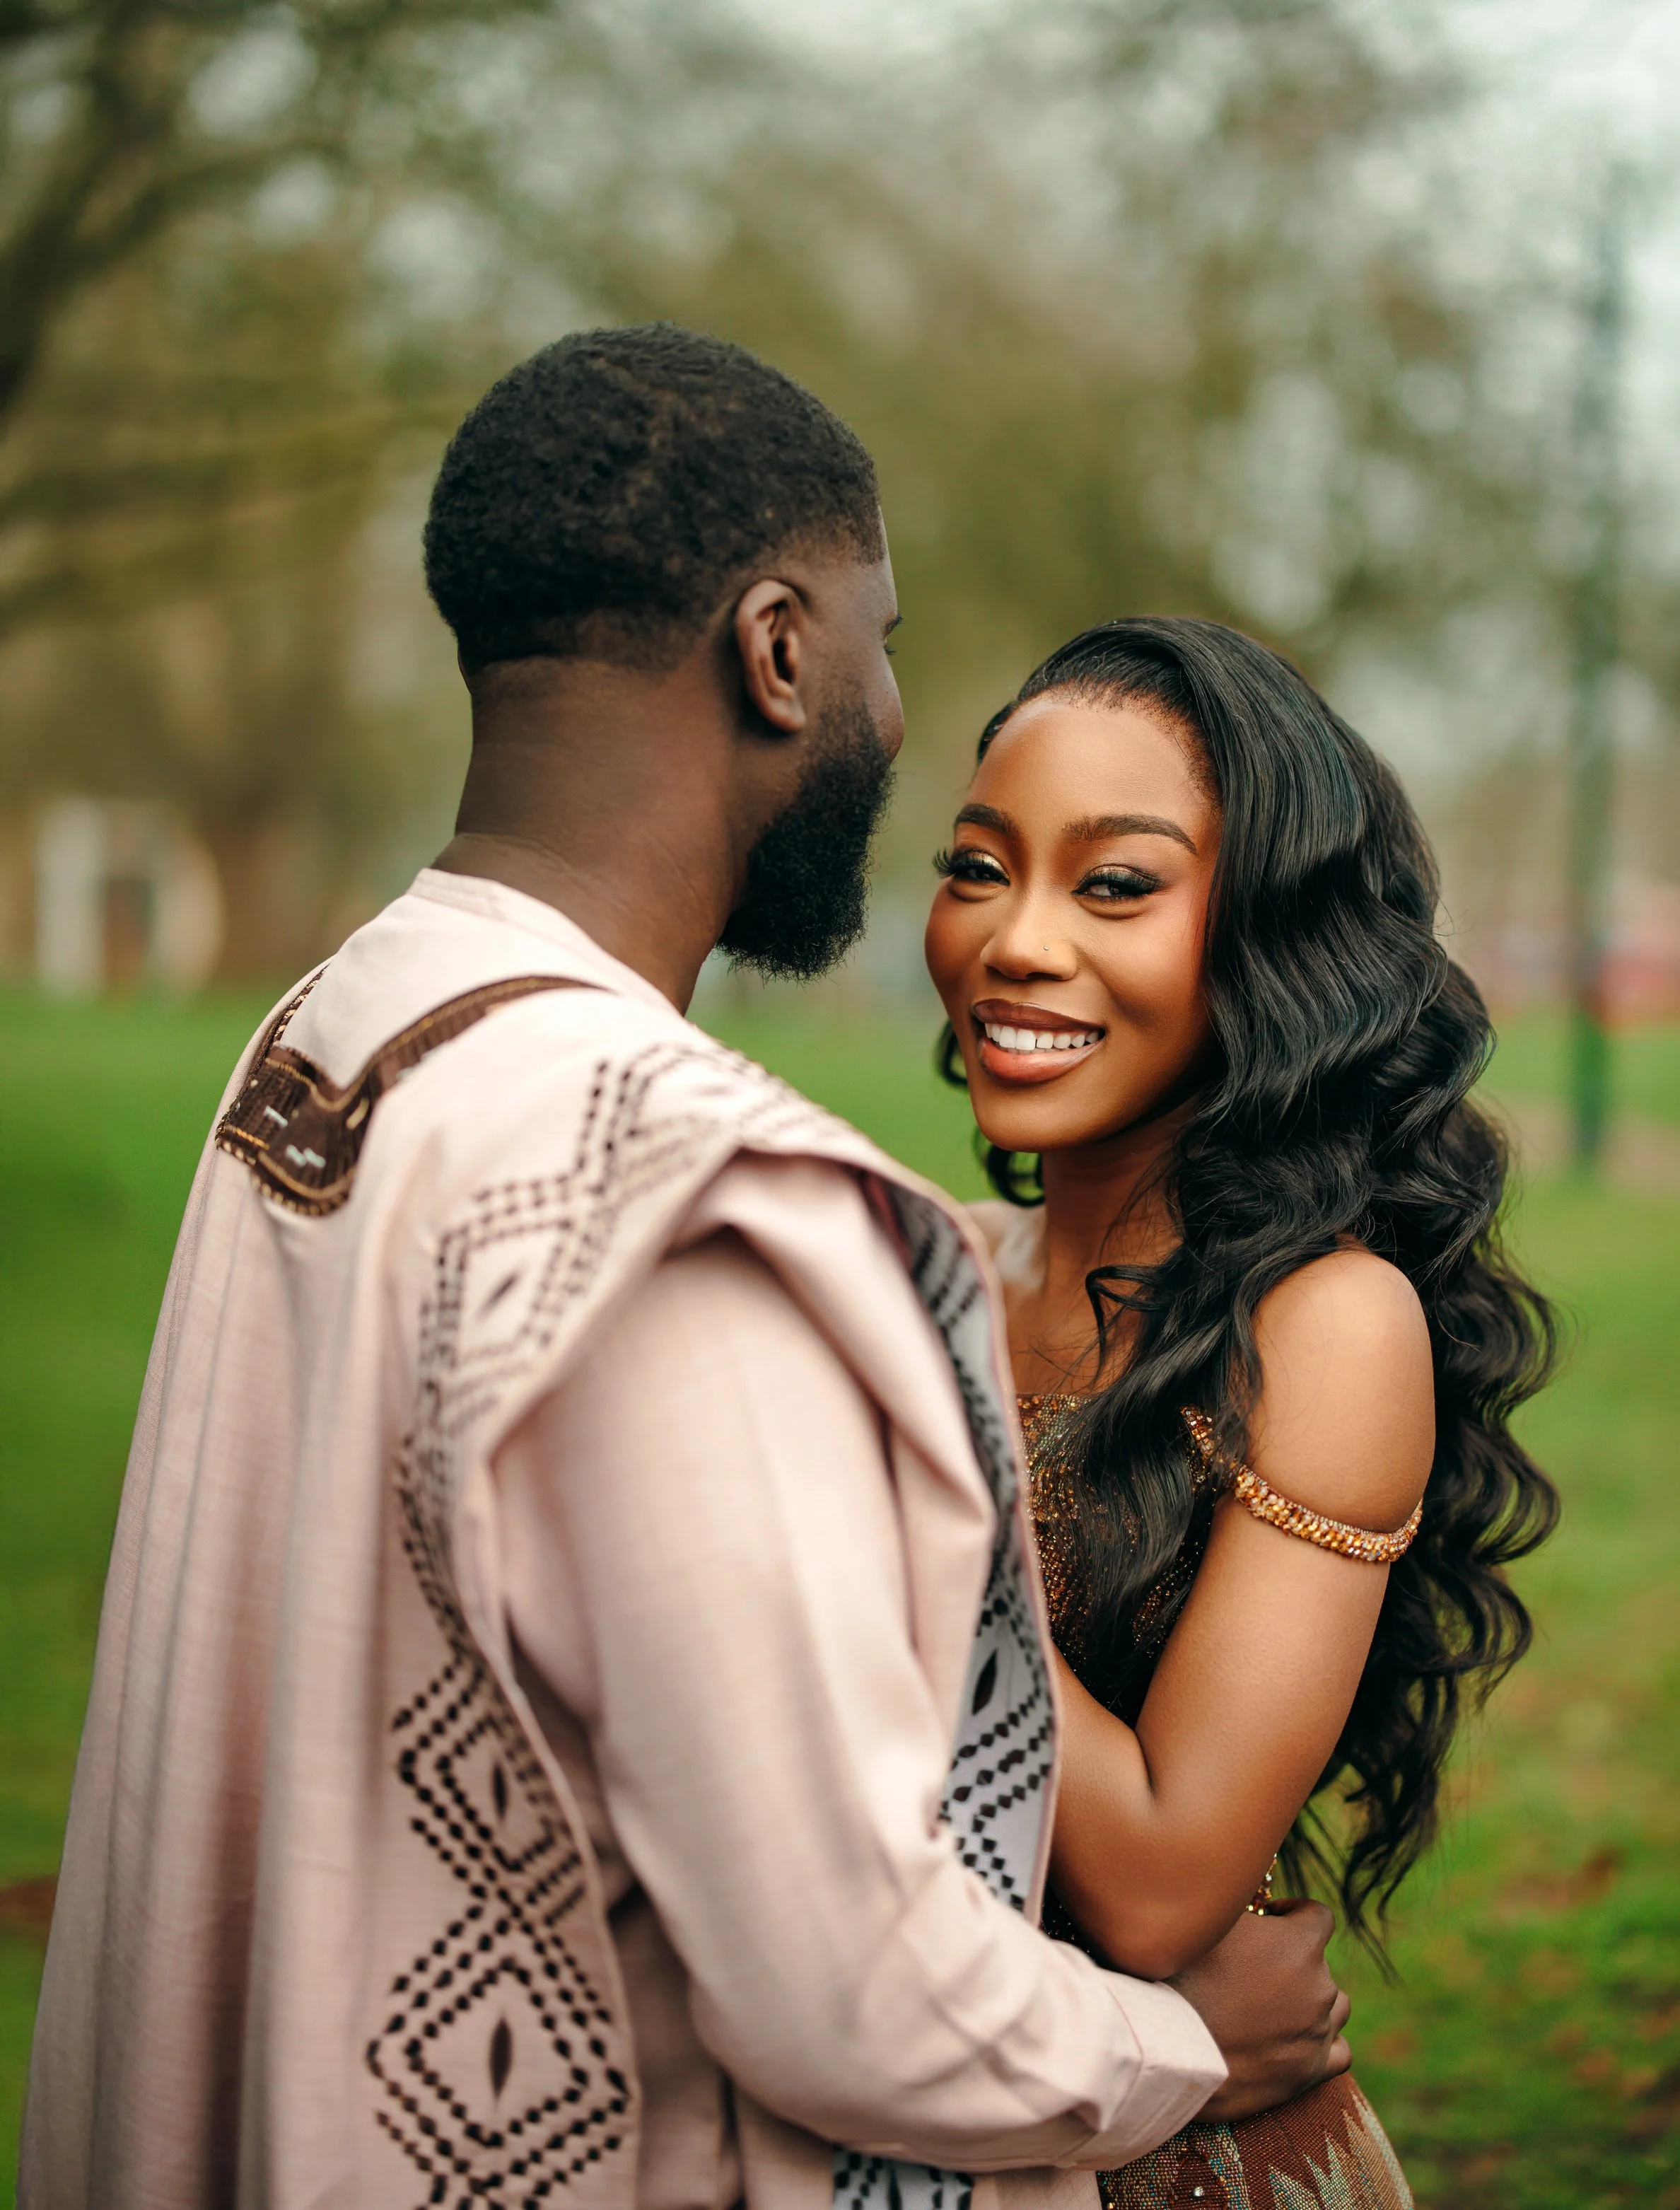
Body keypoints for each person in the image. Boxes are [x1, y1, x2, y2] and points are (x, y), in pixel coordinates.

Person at [23, 335, 1353, 2210]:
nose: (894, 710)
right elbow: (851, 1984)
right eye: (881, 643)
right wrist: (1176, 2045)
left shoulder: (343, 1030)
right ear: (777, 650)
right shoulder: (685, 1202)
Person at [925, 617, 1561, 2210]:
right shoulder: (928, 1267)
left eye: (1114, 883)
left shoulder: (1322, 1326)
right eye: (979, 867)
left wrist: (871, 1512)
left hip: (1203, 2163)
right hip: (934, 2117)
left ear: (1271, 940)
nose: (1015, 939)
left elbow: (1156, 1882)